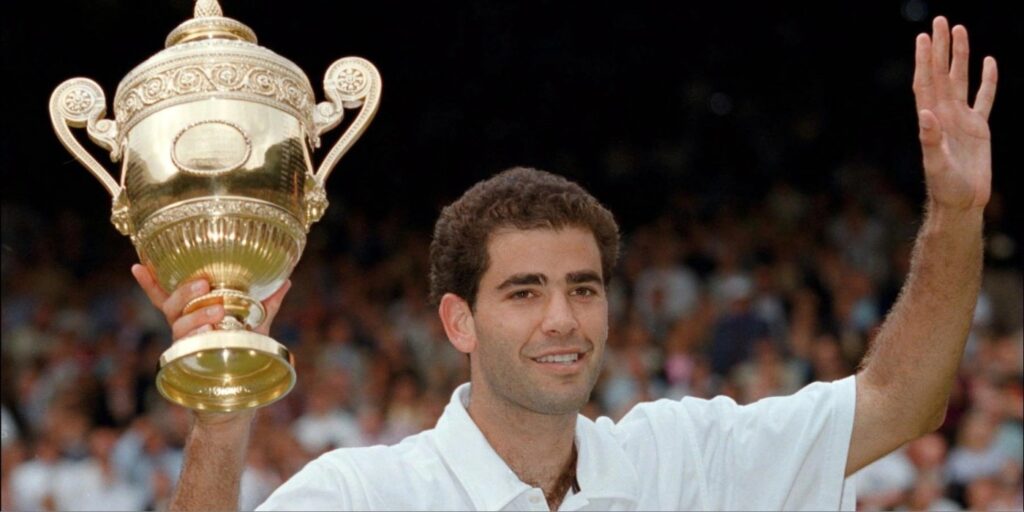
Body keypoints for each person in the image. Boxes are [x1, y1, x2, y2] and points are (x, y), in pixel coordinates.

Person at [131, 17, 998, 511]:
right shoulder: (369, 493)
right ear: (457, 321)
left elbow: (900, 402)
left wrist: (957, 216)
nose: (563, 319)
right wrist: (222, 407)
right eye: (525, 291)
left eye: (584, 289)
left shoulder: (687, 461)